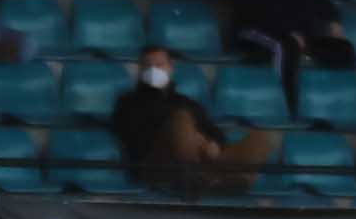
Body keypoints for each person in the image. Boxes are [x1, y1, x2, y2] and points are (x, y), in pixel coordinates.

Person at [112, 46, 277, 197]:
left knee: (263, 137)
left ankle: (234, 180)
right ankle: (207, 179)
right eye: (148, 65)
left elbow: (213, 131)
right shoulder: (127, 102)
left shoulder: (186, 102)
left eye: (159, 65)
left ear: (171, 68)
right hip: (158, 165)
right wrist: (183, 134)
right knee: (181, 118)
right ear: (140, 70)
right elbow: (134, 136)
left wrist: (212, 144)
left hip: (205, 160)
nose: (154, 70)